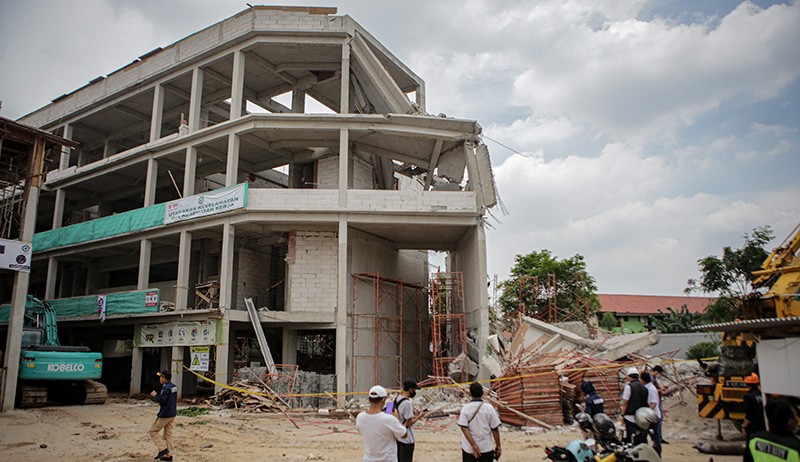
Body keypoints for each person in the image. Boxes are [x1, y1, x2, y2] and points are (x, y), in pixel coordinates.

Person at [356, 385, 408, 462]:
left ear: (369, 399)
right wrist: (396, 417)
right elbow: (404, 434)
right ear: (383, 399)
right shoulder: (389, 419)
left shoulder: (360, 417)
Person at [458, 382, 502, 462]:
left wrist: (473, 445)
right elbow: (495, 429)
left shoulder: (466, 409)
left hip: (469, 449)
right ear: (482, 393)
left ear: (470, 394)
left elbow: (463, 428)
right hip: (486, 447)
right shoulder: (489, 408)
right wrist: (498, 446)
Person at [149, 370, 177, 461]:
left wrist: (154, 397)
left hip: (165, 414)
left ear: (164, 378)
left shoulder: (165, 388)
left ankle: (163, 449)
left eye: (161, 377)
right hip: (172, 413)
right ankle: (169, 455)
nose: (160, 379)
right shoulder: (174, 386)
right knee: (168, 434)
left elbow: (162, 400)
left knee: (153, 431)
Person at [394, 379, 422, 462]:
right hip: (407, 439)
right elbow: (408, 423)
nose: (415, 392)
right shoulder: (407, 403)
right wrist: (419, 416)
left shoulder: (397, 398)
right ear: (410, 389)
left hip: (397, 437)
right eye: (414, 390)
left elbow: (389, 411)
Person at [620, 367, 649, 444]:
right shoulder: (645, 388)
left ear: (629, 376)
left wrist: (622, 414)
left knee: (631, 436)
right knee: (640, 436)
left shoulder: (629, 387)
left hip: (630, 416)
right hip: (642, 417)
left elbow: (625, 402)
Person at [641, 372, 662, 456]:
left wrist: (646, 413)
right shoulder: (646, 387)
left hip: (654, 417)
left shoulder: (651, 389)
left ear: (643, 380)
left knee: (655, 437)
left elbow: (654, 403)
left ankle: (657, 455)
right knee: (645, 435)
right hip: (650, 417)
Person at [742, 373, 766, 440]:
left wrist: (744, 426)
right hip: (763, 424)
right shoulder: (762, 394)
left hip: (753, 426)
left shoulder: (748, 396)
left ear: (746, 384)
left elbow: (749, 414)